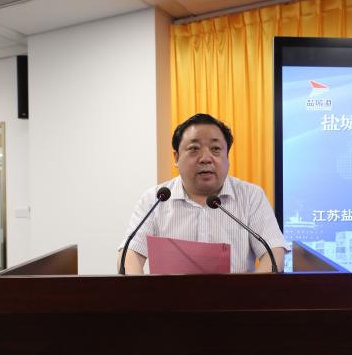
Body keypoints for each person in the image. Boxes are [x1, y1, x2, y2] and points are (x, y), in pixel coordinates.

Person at [117, 113, 289, 274]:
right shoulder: (154, 199)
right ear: (176, 157)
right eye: (194, 149)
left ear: (227, 157)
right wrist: (141, 293)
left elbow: (273, 253)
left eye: (215, 149)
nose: (206, 158)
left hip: (235, 297)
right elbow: (130, 255)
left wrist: (251, 293)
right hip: (169, 297)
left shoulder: (251, 196)